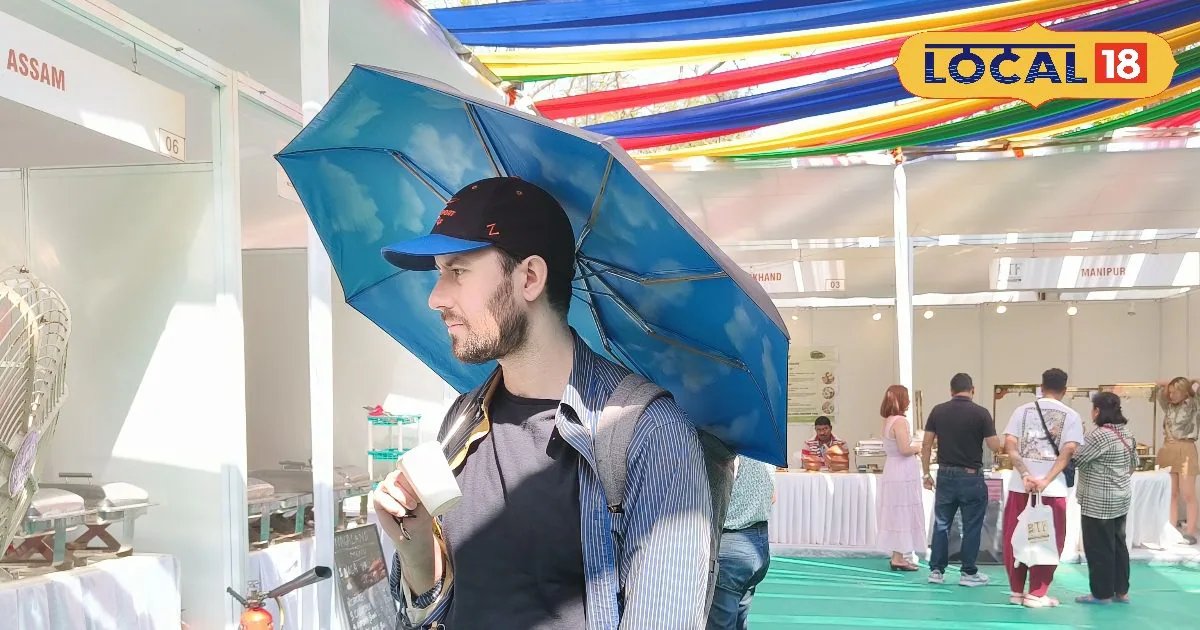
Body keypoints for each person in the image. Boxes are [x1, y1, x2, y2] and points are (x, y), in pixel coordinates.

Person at [371, 177, 714, 629]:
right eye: (439, 272)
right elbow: (438, 608)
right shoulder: (463, 420)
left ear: (529, 277)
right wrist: (416, 547)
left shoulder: (648, 434)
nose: (436, 298)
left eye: (458, 270)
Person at [1002, 368, 1084, 608]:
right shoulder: (1071, 416)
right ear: (1064, 390)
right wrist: (1046, 479)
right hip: (1052, 489)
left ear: (1041, 386)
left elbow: (1010, 445)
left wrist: (1025, 473)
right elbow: (1069, 450)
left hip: (1021, 486)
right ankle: (1037, 592)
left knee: (1015, 536)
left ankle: (1016, 591)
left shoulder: (1021, 410)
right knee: (1048, 539)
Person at [921, 373, 1003, 586]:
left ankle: (936, 571)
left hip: (945, 474)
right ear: (972, 390)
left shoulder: (938, 411)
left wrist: (926, 473)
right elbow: (994, 445)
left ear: (951, 390)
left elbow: (926, 444)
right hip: (971, 477)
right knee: (972, 526)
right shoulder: (981, 413)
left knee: (942, 524)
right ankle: (968, 573)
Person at [1073, 392, 1139, 605]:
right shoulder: (1126, 433)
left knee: (1098, 547)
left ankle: (1101, 594)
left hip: (1098, 501)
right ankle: (1121, 590)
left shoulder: (1099, 435)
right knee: (1119, 544)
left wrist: (1077, 437)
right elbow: (1133, 464)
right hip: (1120, 498)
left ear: (1098, 411)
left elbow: (1076, 458)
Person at [707, 455, 774, 630]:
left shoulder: (731, 449)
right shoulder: (764, 450)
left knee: (721, 623)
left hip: (732, 541)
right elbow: (773, 497)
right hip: (758, 540)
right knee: (739, 617)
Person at [876, 385, 926, 571]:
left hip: (892, 468)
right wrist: (920, 446)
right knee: (904, 511)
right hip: (903, 471)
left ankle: (898, 554)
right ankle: (899, 556)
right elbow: (905, 449)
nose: (909, 401)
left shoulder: (888, 421)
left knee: (896, 512)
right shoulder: (900, 421)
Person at [1155, 376, 1200, 545]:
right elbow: (1158, 386)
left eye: (1175, 392)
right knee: (1171, 492)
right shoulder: (1168, 405)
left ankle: (1190, 532)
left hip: (1186, 447)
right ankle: (1171, 529)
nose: (1171, 395)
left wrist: (1192, 381)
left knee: (1188, 493)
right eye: (1171, 392)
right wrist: (1169, 384)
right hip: (1168, 447)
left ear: (1184, 392)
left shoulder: (1194, 404)